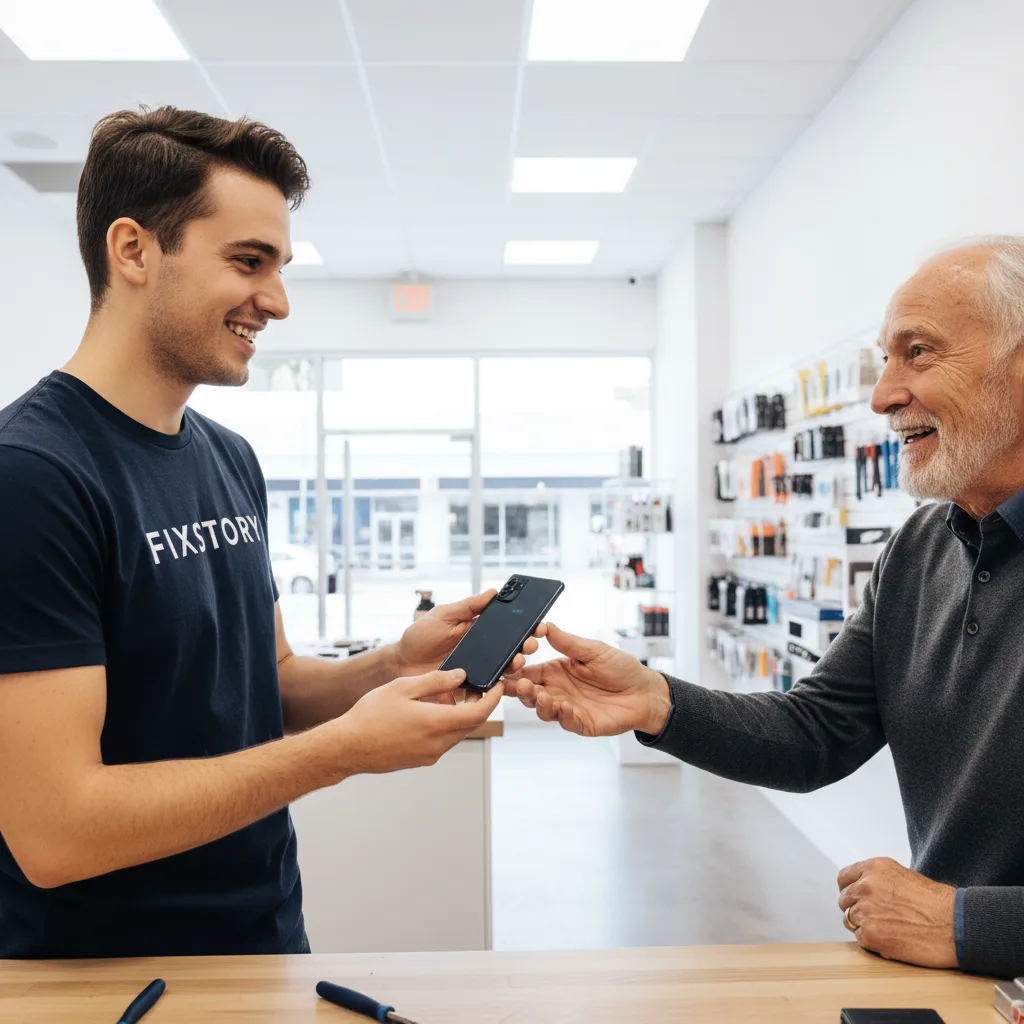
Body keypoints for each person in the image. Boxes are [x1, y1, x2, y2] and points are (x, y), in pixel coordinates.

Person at [0, 106, 537, 958]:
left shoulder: (227, 457)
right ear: (133, 250)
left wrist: (394, 665)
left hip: (263, 937)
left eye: (281, 266)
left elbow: (272, 680)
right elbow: (56, 832)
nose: (278, 302)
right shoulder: (32, 476)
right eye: (248, 263)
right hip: (102, 977)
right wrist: (341, 753)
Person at [508, 237, 1024, 979]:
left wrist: (970, 923)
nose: (882, 394)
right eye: (884, 358)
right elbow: (817, 733)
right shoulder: (918, 550)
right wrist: (656, 701)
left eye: (918, 353)